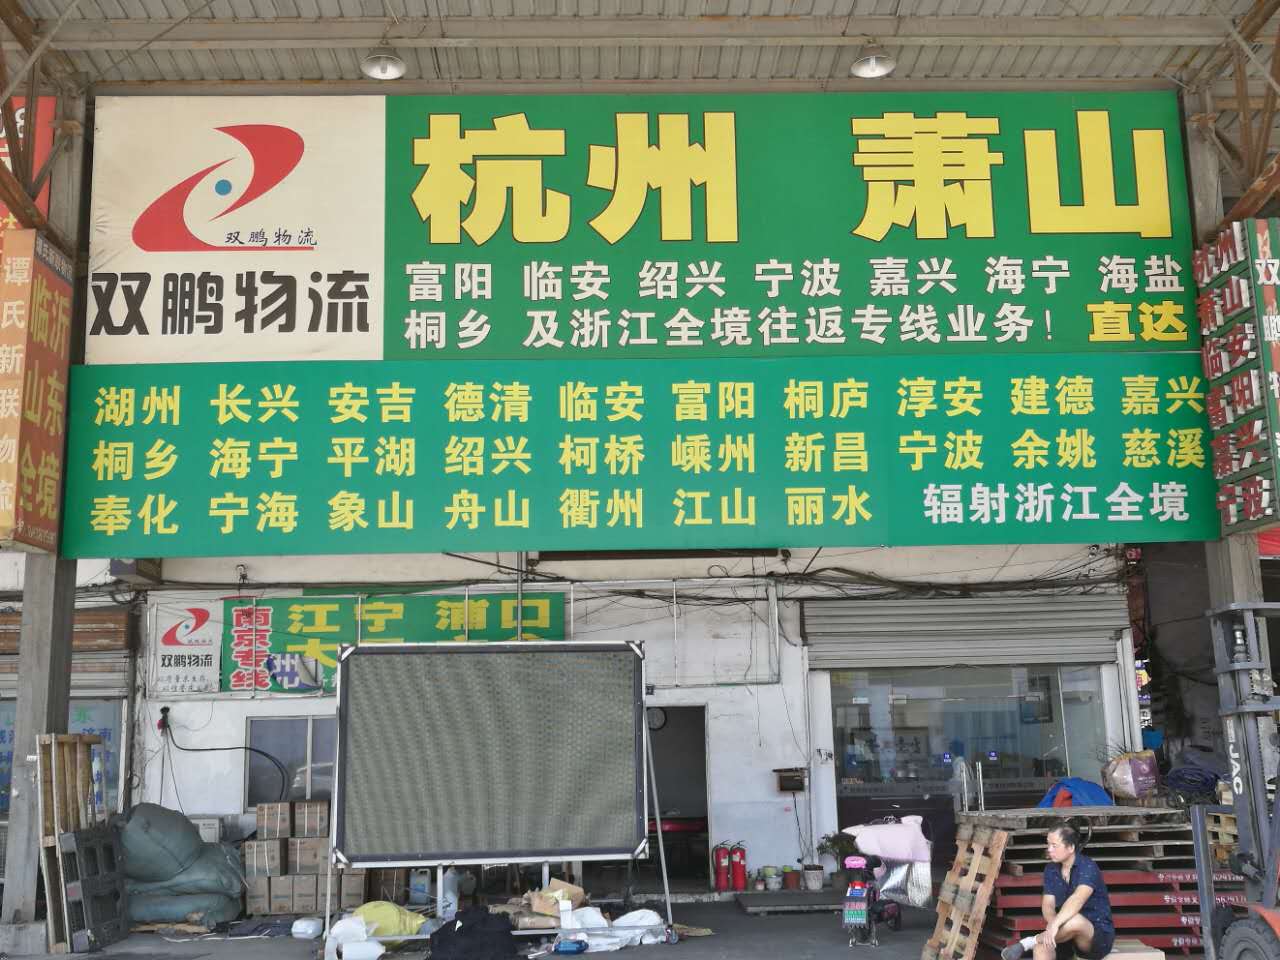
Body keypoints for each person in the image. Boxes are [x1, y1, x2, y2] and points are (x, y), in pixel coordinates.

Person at [1001, 822, 1115, 960]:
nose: (1049, 849)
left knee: (1076, 921)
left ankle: (1030, 941)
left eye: (1054, 846)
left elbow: (1077, 899)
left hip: (1095, 936)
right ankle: (1037, 943)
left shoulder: (1088, 867)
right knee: (1041, 948)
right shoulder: (1051, 869)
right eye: (1048, 844)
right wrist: (1053, 925)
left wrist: (1055, 924)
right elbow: (1048, 904)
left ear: (1071, 847)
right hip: (1064, 932)